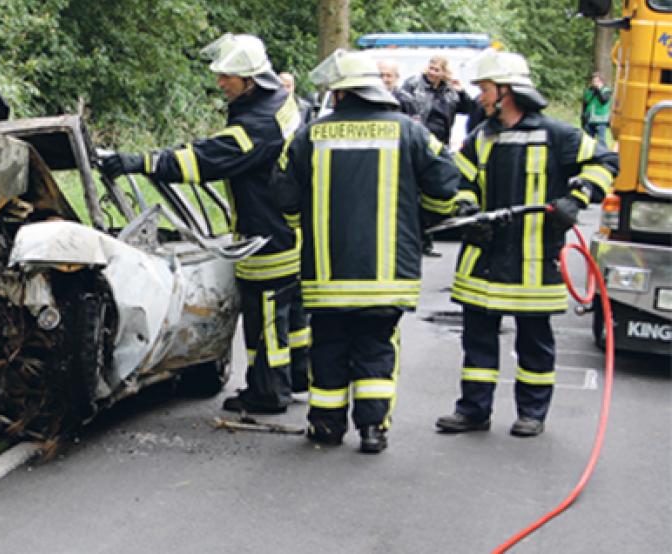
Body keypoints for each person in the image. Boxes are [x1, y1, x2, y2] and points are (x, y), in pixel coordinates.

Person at [101, 33, 307, 414]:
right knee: (289, 316)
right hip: (287, 228)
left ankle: (269, 391)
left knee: (265, 321)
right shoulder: (281, 103)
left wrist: (140, 162)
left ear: (249, 81)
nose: (220, 82)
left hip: (266, 235)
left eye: (227, 76)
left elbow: (205, 161)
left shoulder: (257, 127)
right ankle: (296, 375)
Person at [272, 50, 464, 453]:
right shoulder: (410, 132)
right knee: (377, 348)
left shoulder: (308, 136)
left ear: (340, 95)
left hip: (327, 274)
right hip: (388, 274)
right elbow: (447, 183)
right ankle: (373, 429)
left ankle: (325, 425)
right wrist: (426, 217)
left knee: (328, 347)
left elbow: (283, 197)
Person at [436, 51, 618, 437]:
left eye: (486, 89)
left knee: (534, 342)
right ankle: (473, 410)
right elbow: (460, 180)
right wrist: (467, 207)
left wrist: (578, 197)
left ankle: (532, 413)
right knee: (477, 341)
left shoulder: (558, 136)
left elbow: (604, 161)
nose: (481, 98)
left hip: (533, 262)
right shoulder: (481, 138)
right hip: (482, 263)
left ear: (507, 91)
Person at [401, 55, 475, 146]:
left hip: (441, 142)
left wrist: (461, 92)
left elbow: (469, 109)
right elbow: (401, 106)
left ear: (444, 72)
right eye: (430, 68)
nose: (432, 72)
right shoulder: (413, 84)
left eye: (436, 70)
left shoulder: (450, 91)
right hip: (418, 139)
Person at [581, 71, 613, 149]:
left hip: (601, 121)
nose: (594, 83)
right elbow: (585, 104)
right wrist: (582, 117)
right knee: (588, 141)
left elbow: (603, 101)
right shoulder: (589, 91)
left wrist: (598, 91)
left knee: (601, 141)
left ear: (601, 81)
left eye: (596, 81)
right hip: (589, 119)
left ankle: (603, 156)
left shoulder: (606, 91)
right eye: (593, 81)